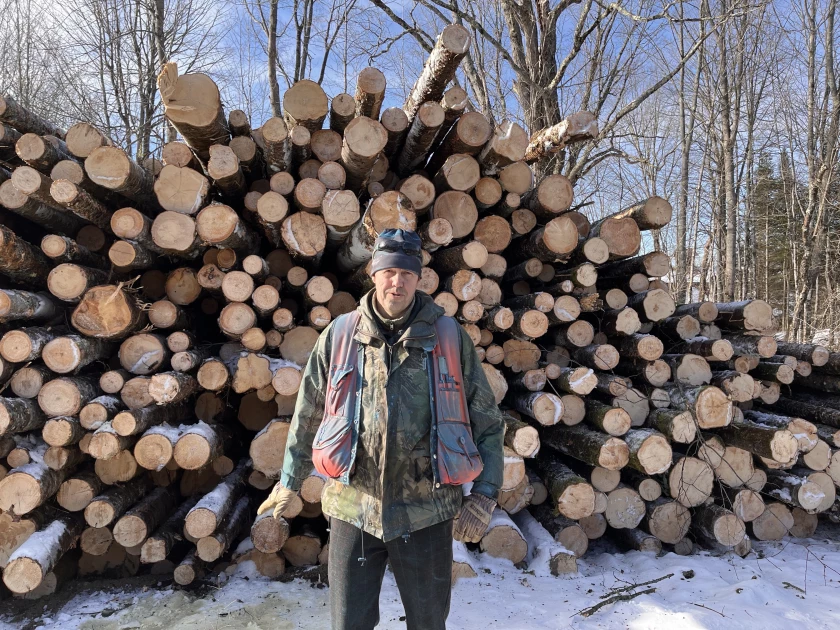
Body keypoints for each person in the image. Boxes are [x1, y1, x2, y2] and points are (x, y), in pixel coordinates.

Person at [258, 228, 505, 630]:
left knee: (428, 623)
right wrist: (289, 479)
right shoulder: (340, 336)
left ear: (419, 278)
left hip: (427, 511)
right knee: (348, 624)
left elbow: (488, 420)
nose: (398, 281)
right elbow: (308, 412)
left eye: (408, 272)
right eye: (389, 271)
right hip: (353, 508)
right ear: (373, 274)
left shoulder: (447, 337)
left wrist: (486, 494)